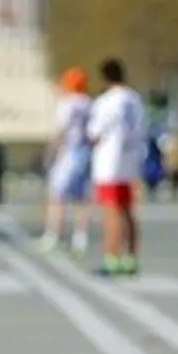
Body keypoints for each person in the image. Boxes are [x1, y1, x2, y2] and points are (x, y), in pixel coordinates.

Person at [86, 58, 147, 276]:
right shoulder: (134, 99)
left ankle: (111, 257)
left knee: (110, 212)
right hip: (130, 161)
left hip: (109, 164)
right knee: (128, 212)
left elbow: (94, 133)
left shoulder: (106, 101)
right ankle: (130, 257)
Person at [38, 66, 93, 255]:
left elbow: (61, 131)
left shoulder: (67, 103)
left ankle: (53, 234)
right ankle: (80, 236)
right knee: (81, 198)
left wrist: (51, 152)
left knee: (56, 196)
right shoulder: (88, 103)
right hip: (85, 151)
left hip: (68, 152)